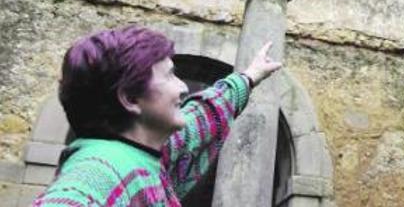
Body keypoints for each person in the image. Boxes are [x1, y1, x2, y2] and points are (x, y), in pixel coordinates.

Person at [32, 26, 282, 206]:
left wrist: (249, 76)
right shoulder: (98, 172)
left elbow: (203, 117)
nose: (183, 87)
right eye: (170, 75)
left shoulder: (146, 150)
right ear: (130, 98)